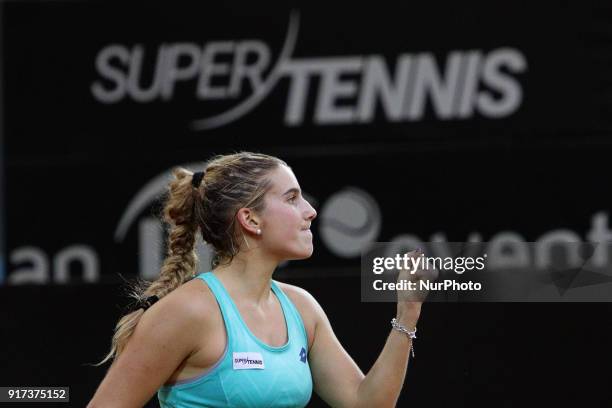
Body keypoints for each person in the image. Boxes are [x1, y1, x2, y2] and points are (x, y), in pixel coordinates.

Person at [88, 151, 425, 408]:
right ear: (250, 219)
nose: (311, 210)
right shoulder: (187, 311)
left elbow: (366, 404)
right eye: (292, 198)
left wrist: (407, 313)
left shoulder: (301, 308)